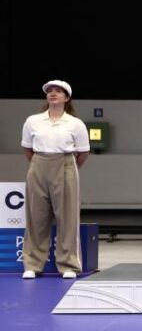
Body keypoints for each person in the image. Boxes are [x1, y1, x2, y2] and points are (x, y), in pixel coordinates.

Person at [20, 80, 90, 279]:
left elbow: (83, 153)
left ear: (66, 98)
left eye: (58, 91)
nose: (53, 94)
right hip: (39, 163)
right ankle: (33, 264)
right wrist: (39, 164)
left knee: (67, 216)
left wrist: (68, 167)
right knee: (36, 216)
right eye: (49, 91)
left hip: (66, 164)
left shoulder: (75, 124)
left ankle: (68, 265)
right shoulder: (33, 121)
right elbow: (27, 149)